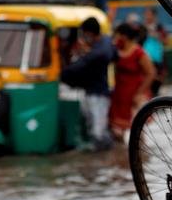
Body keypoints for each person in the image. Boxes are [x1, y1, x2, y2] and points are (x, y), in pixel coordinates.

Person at [61, 17, 115, 151]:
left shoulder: (100, 50)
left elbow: (82, 64)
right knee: (92, 127)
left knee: (98, 131)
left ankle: (107, 155)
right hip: (90, 91)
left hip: (99, 94)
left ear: (90, 33)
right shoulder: (103, 44)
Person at [108, 22, 155, 141]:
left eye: (117, 35)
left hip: (135, 95)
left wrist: (140, 93)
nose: (115, 38)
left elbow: (151, 73)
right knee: (116, 132)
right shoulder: (116, 50)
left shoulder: (139, 52)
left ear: (124, 36)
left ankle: (139, 158)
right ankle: (120, 158)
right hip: (119, 95)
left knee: (139, 133)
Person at [142, 6, 168, 97]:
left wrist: (156, 35)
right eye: (146, 14)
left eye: (149, 14)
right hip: (145, 59)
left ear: (154, 16)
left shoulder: (159, 27)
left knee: (156, 81)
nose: (147, 17)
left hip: (157, 59)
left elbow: (166, 41)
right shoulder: (142, 28)